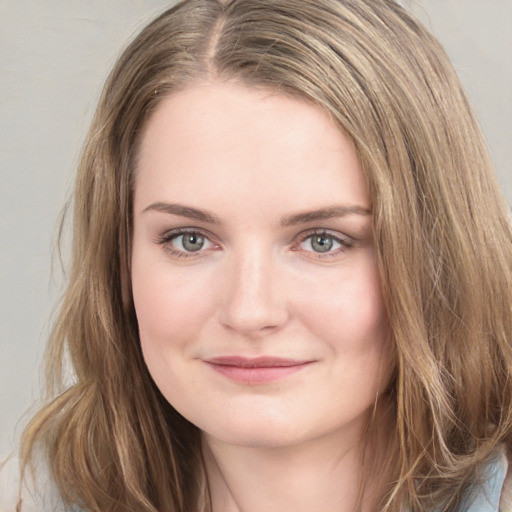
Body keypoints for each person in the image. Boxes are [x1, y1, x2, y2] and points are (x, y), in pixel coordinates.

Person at [3, 0, 512, 510]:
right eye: (190, 239)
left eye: (322, 240)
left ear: (437, 256)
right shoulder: (34, 495)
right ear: (120, 258)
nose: (249, 312)